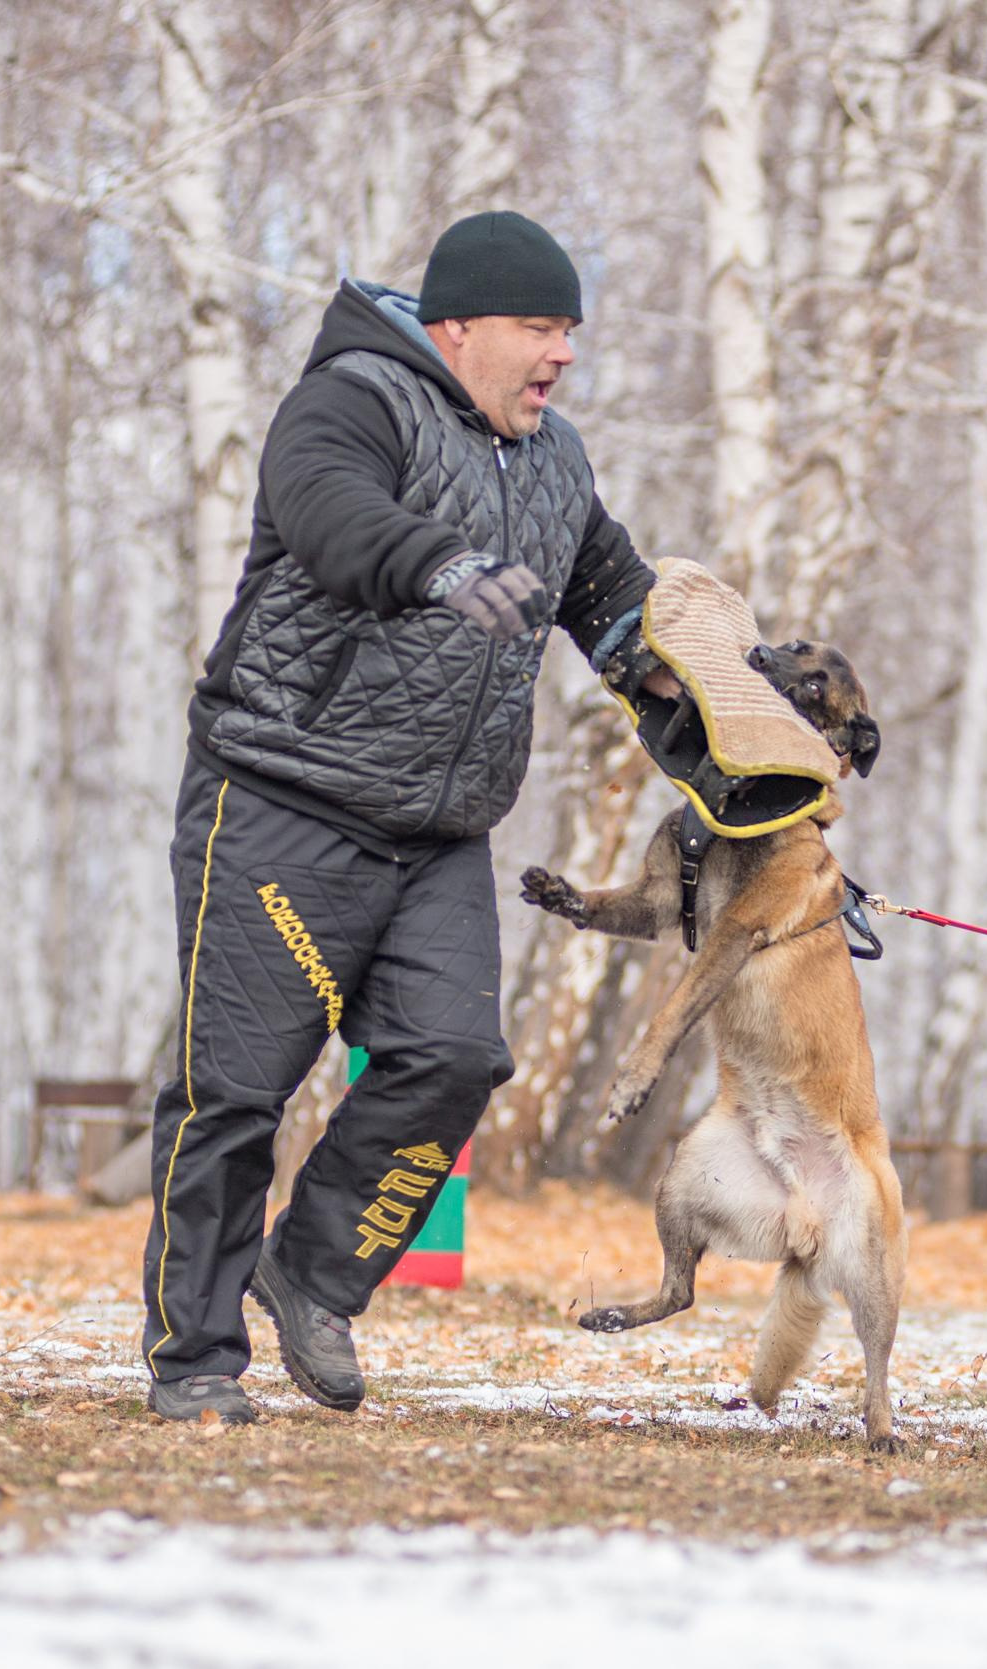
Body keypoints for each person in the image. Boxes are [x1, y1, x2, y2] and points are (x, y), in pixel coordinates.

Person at [142, 211, 674, 1423]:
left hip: (437, 830)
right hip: (279, 796)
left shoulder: (554, 460)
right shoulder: (351, 401)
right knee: (233, 1092)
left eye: (572, 332)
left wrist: (708, 704)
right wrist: (438, 564)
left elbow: (613, 602)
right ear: (460, 327)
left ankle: (311, 1270)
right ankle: (195, 1362)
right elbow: (328, 515)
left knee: (452, 1058)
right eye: (540, 328)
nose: (563, 354)